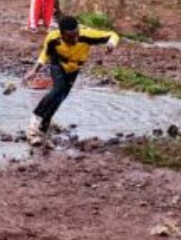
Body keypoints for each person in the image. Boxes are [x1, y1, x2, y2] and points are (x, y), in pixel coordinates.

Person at [23, 15, 119, 145]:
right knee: (57, 89)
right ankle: (33, 125)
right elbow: (45, 54)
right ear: (62, 34)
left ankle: (44, 128)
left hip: (74, 69)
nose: (75, 39)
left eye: (76, 35)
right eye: (70, 37)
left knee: (60, 98)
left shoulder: (87, 35)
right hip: (59, 64)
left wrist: (111, 43)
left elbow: (112, 35)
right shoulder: (53, 38)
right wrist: (34, 70)